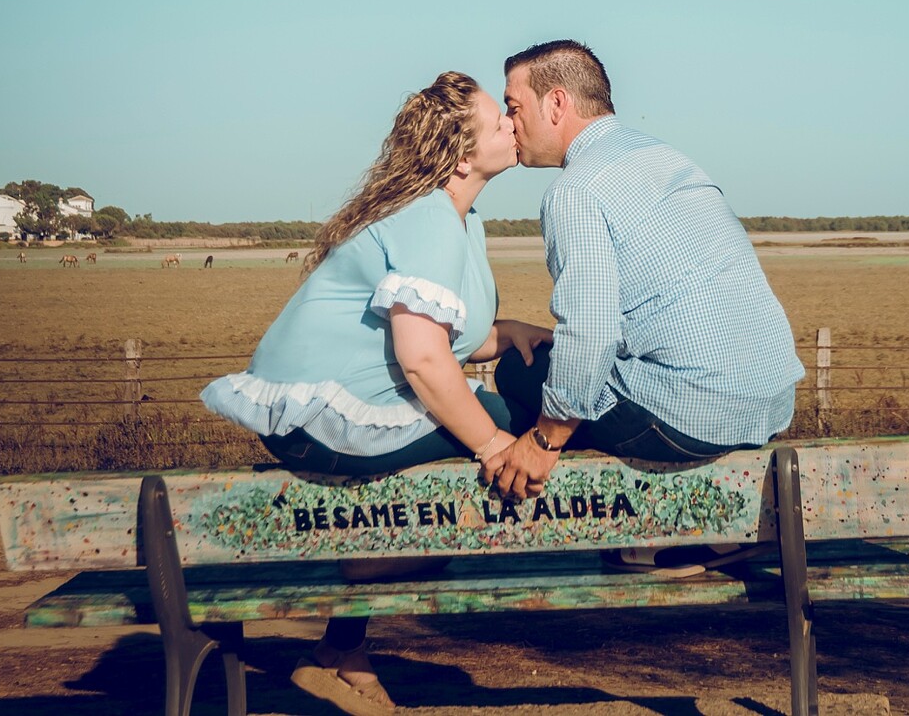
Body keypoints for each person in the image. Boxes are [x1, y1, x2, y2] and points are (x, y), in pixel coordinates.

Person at [201, 71, 550, 716]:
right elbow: (421, 360)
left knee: (474, 450)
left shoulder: (459, 222)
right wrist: (495, 443)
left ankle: (341, 652)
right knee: (504, 422)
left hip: (335, 409)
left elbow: (444, 336)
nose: (510, 123)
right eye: (496, 118)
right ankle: (346, 624)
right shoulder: (429, 219)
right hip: (323, 418)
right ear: (458, 150)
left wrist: (509, 333)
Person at [481, 40, 804, 569]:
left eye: (514, 108)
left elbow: (591, 332)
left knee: (520, 373)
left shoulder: (576, 191)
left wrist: (544, 441)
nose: (510, 124)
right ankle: (696, 529)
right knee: (563, 366)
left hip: (693, 419)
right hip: (767, 403)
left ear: (556, 104)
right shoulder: (664, 157)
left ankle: (646, 531)